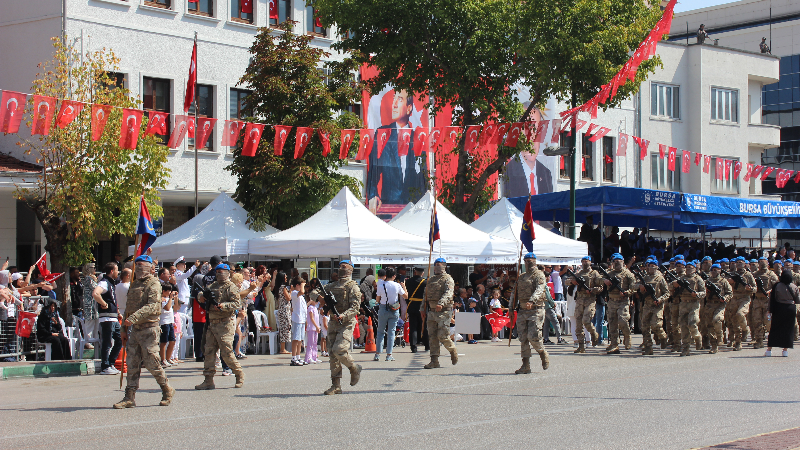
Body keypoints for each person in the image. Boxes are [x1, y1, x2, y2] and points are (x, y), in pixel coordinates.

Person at [114, 255, 174, 409]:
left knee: (152, 362)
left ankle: (167, 389)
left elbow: (153, 306)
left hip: (149, 329)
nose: (139, 268)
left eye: (142, 265)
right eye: (137, 265)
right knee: (132, 363)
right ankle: (129, 397)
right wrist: (123, 329)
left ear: (150, 267)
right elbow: (128, 308)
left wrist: (134, 317)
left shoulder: (154, 283)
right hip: (135, 329)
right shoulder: (134, 284)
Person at [366, 89, 427, 213]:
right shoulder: (383, 134)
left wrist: (425, 202)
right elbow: (373, 171)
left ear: (409, 108)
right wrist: (373, 195)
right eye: (394, 99)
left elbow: (423, 177)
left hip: (413, 208)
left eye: (399, 99)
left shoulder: (417, 138)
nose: (394, 104)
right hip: (389, 207)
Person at [195, 263, 245, 390]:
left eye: (222, 272)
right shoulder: (213, 286)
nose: (220, 274)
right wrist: (202, 297)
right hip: (212, 324)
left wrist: (223, 306)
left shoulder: (231, 287)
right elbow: (201, 294)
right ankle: (208, 380)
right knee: (209, 352)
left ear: (228, 273)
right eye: (218, 272)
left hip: (225, 324)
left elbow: (236, 303)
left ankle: (239, 374)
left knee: (227, 352)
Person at [323, 261, 362, 395]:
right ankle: (336, 385)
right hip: (333, 321)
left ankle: (354, 367)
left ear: (351, 270)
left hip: (346, 322)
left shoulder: (353, 287)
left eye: (344, 266)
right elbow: (314, 293)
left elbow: (355, 307)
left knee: (339, 349)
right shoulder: (332, 285)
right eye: (340, 266)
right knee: (332, 354)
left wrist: (343, 316)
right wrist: (321, 298)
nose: (341, 268)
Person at [514, 253, 549, 373]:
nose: (529, 263)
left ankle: (542, 352)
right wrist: (511, 308)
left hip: (535, 309)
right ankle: (525, 365)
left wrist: (532, 300)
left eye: (531, 261)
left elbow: (540, 289)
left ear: (535, 261)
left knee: (533, 336)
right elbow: (514, 293)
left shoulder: (539, 275)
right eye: (526, 261)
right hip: (522, 310)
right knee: (523, 338)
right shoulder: (521, 277)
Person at [422, 258, 457, 369]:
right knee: (432, 337)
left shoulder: (448, 279)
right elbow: (425, 295)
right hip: (431, 311)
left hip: (444, 311)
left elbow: (448, 293)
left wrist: (441, 303)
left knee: (442, 335)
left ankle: (452, 349)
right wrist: (422, 308)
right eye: (436, 264)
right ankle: (434, 360)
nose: (437, 266)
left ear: (444, 266)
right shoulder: (431, 279)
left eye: (439, 264)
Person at [632, 259, 670, 355]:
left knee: (656, 324)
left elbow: (667, 293)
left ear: (657, 267)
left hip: (657, 305)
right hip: (647, 304)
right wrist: (640, 286)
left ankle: (663, 336)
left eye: (653, 266)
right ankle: (648, 347)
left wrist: (660, 299)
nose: (651, 267)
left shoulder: (660, 278)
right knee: (645, 326)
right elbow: (634, 285)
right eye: (650, 266)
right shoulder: (645, 278)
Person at [600, 254, 635, 354]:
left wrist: (627, 292)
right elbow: (598, 279)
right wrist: (605, 281)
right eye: (615, 261)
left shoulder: (628, 274)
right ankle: (614, 344)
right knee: (612, 323)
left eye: (619, 261)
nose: (617, 263)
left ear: (623, 262)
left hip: (623, 301)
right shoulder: (609, 273)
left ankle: (627, 335)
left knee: (623, 320)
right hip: (612, 301)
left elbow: (633, 287)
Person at [566, 256, 601, 353]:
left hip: (590, 300)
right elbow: (567, 281)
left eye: (587, 261)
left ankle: (593, 333)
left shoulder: (594, 274)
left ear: (590, 262)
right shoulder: (578, 274)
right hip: (579, 300)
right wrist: (572, 282)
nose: (585, 263)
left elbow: (600, 287)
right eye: (583, 261)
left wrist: (592, 290)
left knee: (586, 320)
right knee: (578, 324)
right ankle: (581, 345)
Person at [671, 260, 706, 357]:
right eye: (687, 267)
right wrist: (674, 285)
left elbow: (703, 292)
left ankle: (697, 337)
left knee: (692, 323)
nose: (688, 269)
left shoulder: (698, 279)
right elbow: (670, 287)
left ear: (694, 269)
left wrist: (697, 294)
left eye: (690, 268)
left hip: (694, 304)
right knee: (683, 326)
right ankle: (685, 348)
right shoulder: (681, 278)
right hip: (683, 304)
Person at [92, 262, 122, 375]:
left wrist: (117, 312)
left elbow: (113, 299)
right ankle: (105, 366)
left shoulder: (111, 283)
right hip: (107, 318)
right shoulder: (104, 282)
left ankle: (110, 363)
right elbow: (96, 293)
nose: (118, 272)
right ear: (112, 271)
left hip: (113, 317)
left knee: (120, 340)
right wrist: (104, 304)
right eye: (117, 270)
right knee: (107, 342)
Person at [374, 267, 407, 361]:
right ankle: (389, 355)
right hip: (394, 309)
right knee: (391, 332)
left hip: (383, 308)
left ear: (385, 275)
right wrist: (404, 287)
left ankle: (377, 354)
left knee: (380, 331)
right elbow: (406, 296)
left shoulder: (381, 285)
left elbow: (377, 299)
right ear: (394, 276)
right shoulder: (397, 285)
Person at [766, 271, 800, 357]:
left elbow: (772, 299)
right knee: (788, 330)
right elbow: (798, 300)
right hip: (790, 309)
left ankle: (769, 350)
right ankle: (785, 351)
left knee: (774, 329)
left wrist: (769, 310)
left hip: (779, 309)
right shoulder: (794, 286)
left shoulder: (777, 286)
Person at [704, 264, 732, 354]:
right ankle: (714, 345)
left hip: (720, 305)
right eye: (712, 270)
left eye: (716, 270)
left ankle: (720, 336)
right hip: (709, 305)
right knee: (709, 325)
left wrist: (725, 298)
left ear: (720, 270)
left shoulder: (723, 281)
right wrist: (706, 290)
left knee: (717, 319)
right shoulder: (707, 281)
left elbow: (730, 293)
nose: (714, 271)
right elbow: (702, 292)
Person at [751, 257, 779, 349]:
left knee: (768, 321)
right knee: (757, 321)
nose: (762, 264)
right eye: (760, 262)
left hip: (768, 300)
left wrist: (769, 291)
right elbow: (751, 285)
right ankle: (759, 340)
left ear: (767, 264)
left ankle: (772, 338)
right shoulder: (755, 274)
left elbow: (776, 287)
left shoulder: (771, 274)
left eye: (764, 262)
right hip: (757, 300)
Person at [405, 267, 428, 352]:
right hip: (422, 306)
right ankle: (427, 345)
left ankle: (413, 346)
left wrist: (408, 302)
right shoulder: (425, 282)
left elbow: (406, 295)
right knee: (424, 326)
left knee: (413, 327)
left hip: (412, 305)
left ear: (415, 272)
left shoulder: (408, 281)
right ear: (422, 273)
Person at [272, 271, 292, 354]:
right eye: (285, 277)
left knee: (283, 328)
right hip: (284, 310)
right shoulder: (283, 287)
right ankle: (282, 348)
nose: (286, 278)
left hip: (282, 309)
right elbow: (288, 298)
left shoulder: (278, 287)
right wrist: (291, 291)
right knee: (285, 329)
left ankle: (283, 348)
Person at [81, 262, 99, 350]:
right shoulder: (88, 278)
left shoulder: (92, 278)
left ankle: (95, 341)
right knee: (89, 324)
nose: (95, 269)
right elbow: (96, 288)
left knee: (96, 324)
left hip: (94, 305)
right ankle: (87, 342)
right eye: (93, 268)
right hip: (89, 305)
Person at [290, 277, 307, 366]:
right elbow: (302, 292)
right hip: (297, 319)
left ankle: (298, 356)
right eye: (301, 285)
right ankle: (293, 358)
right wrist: (303, 285)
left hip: (302, 319)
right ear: (297, 285)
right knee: (296, 339)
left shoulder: (301, 296)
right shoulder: (294, 293)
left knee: (300, 339)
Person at [158, 282, 176, 367]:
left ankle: (168, 358)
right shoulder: (161, 299)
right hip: (164, 322)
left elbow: (175, 306)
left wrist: (175, 298)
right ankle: (163, 360)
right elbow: (167, 308)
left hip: (170, 321)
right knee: (164, 342)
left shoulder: (168, 299)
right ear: (163, 291)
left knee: (172, 341)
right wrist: (170, 298)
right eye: (168, 291)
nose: (170, 292)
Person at [305, 293, 320, 364]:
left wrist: (318, 327)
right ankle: (308, 358)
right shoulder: (310, 308)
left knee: (315, 343)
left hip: (315, 328)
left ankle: (314, 357)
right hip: (311, 327)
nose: (316, 302)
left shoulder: (315, 308)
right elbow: (312, 318)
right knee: (310, 343)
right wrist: (316, 326)